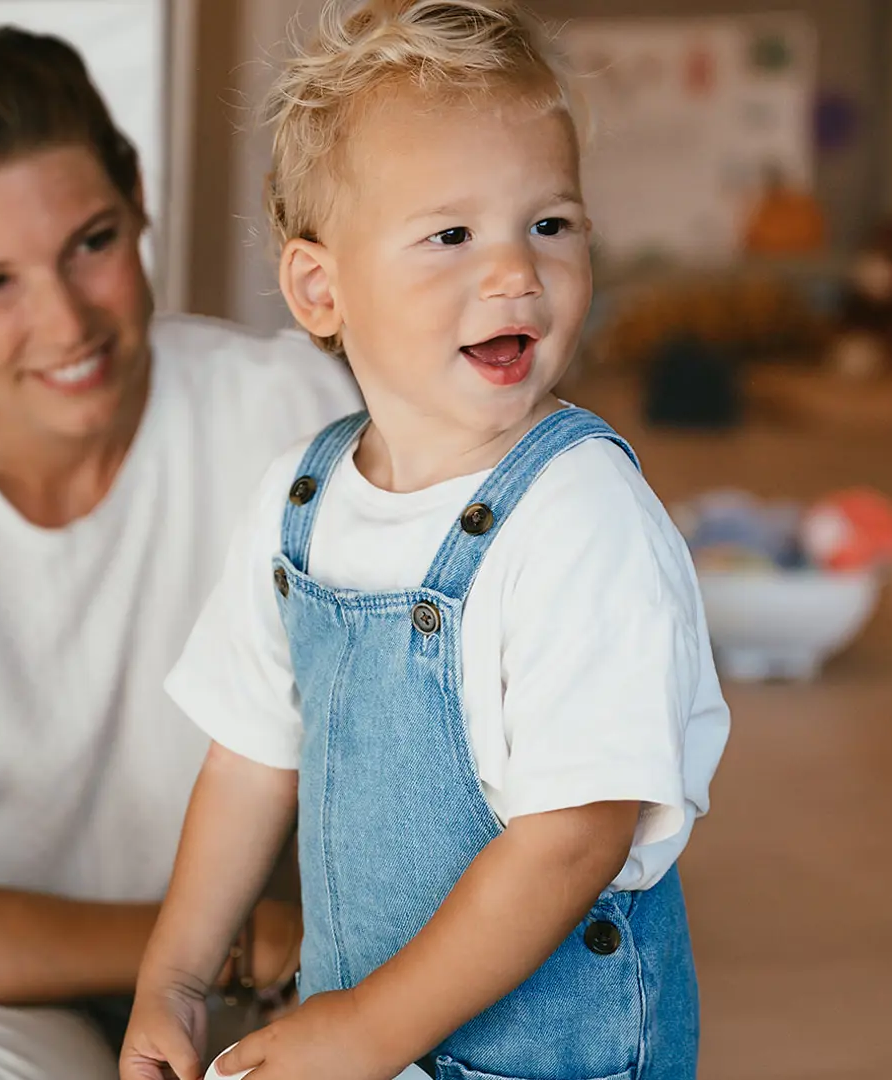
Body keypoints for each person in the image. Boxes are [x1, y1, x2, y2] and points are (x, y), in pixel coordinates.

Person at [123, 2, 730, 1079]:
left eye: (549, 223)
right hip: (370, 1037)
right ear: (321, 290)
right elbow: (249, 764)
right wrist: (172, 975)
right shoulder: (298, 501)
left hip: (551, 1057)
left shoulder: (583, 515)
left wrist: (369, 1030)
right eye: (451, 235)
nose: (514, 275)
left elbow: (576, 835)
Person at [0, 5, 361, 1078]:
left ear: (138, 201)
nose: (65, 323)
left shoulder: (282, 410)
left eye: (91, 244)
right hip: (10, 995)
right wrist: (201, 949)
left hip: (277, 990)